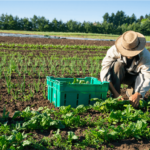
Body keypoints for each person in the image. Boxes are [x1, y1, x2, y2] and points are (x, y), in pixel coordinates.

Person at [100, 30, 150, 108]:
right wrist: (115, 93)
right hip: (118, 74)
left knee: (134, 100)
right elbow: (105, 72)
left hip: (135, 78)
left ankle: (131, 92)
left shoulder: (145, 55)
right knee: (117, 64)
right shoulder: (113, 50)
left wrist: (138, 94)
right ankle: (114, 96)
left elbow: (147, 76)